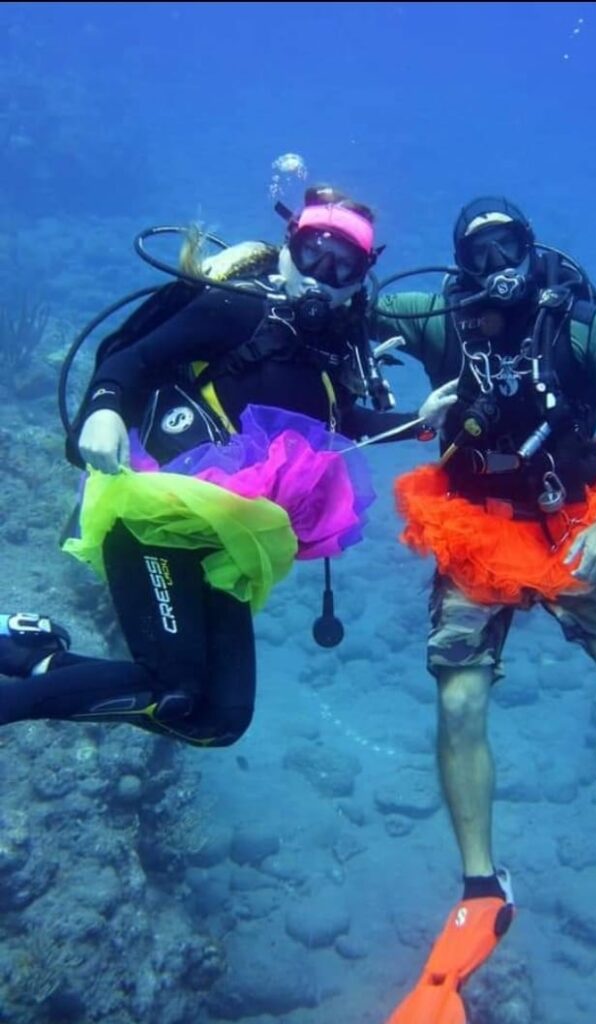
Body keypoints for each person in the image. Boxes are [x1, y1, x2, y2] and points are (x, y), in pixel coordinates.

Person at [375, 197, 596, 1020]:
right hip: (473, 526)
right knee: (458, 704)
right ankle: (481, 883)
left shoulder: (584, 328)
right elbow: (346, 299)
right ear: (457, 264)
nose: (493, 267)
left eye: (506, 246)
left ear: (532, 247)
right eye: (475, 254)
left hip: (570, 524)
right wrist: (294, 264)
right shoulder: (441, 317)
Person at [0, 185, 421, 748]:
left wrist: (424, 419)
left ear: (360, 281)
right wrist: (103, 408)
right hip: (154, 519)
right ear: (287, 246)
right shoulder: (236, 307)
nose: (322, 272)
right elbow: (134, 358)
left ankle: (33, 655)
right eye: (313, 251)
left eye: (343, 266)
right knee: (171, 687)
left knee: (219, 720)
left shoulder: (333, 352)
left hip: (224, 546)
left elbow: (340, 424)